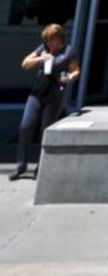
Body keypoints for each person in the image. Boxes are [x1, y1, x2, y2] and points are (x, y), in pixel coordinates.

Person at [11, 23, 80, 181]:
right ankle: (20, 166)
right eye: (47, 39)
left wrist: (69, 78)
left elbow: (76, 71)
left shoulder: (69, 51)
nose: (48, 42)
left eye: (51, 39)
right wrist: (40, 58)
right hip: (37, 92)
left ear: (59, 38)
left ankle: (40, 167)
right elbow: (25, 63)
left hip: (54, 94)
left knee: (46, 130)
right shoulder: (43, 48)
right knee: (26, 126)